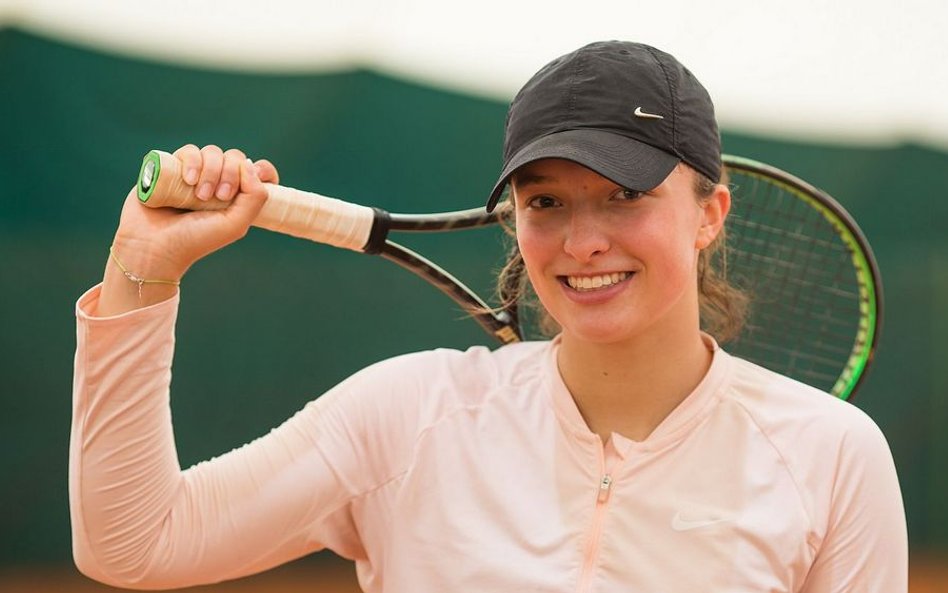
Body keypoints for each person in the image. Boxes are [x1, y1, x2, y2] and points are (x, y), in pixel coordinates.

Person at [70, 41, 907, 592]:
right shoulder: (406, 414)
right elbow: (133, 543)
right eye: (545, 200)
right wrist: (142, 270)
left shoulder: (828, 454)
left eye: (624, 196)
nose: (582, 240)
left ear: (710, 212)